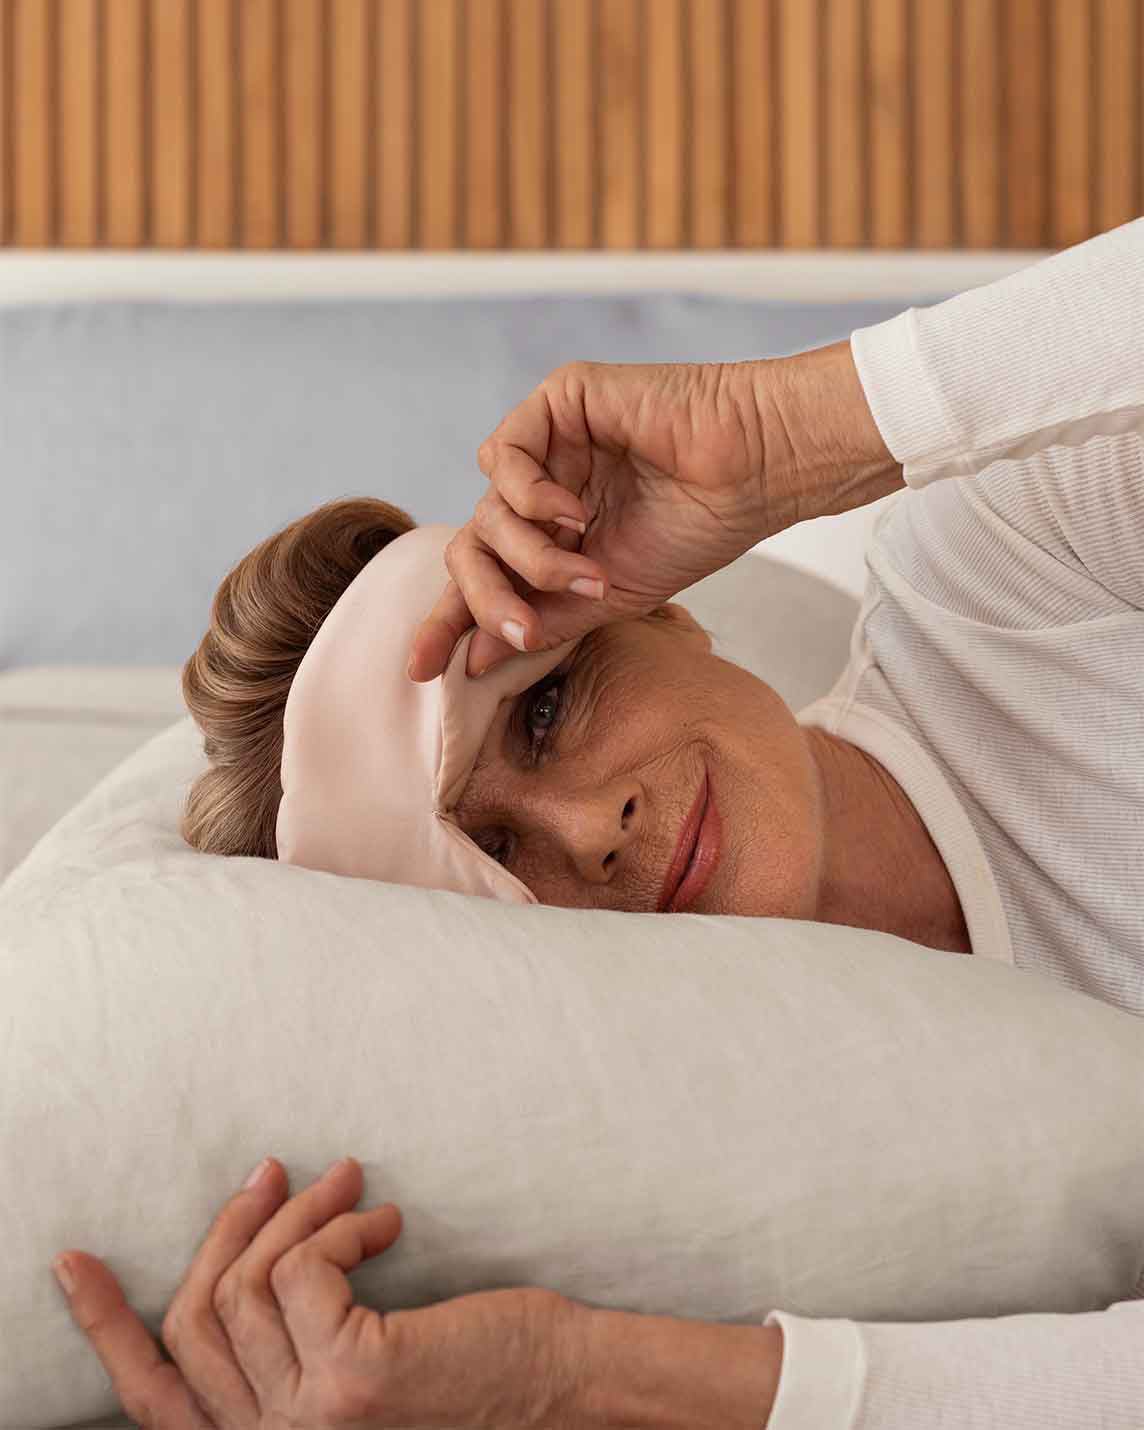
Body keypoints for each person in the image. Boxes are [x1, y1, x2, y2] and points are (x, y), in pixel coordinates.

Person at [55, 217, 1143, 1426]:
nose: (590, 831)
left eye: (548, 708)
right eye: (494, 856)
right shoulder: (766, 1229)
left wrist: (796, 430)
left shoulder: (1013, 577)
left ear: (665, 612)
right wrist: (575, 1375)